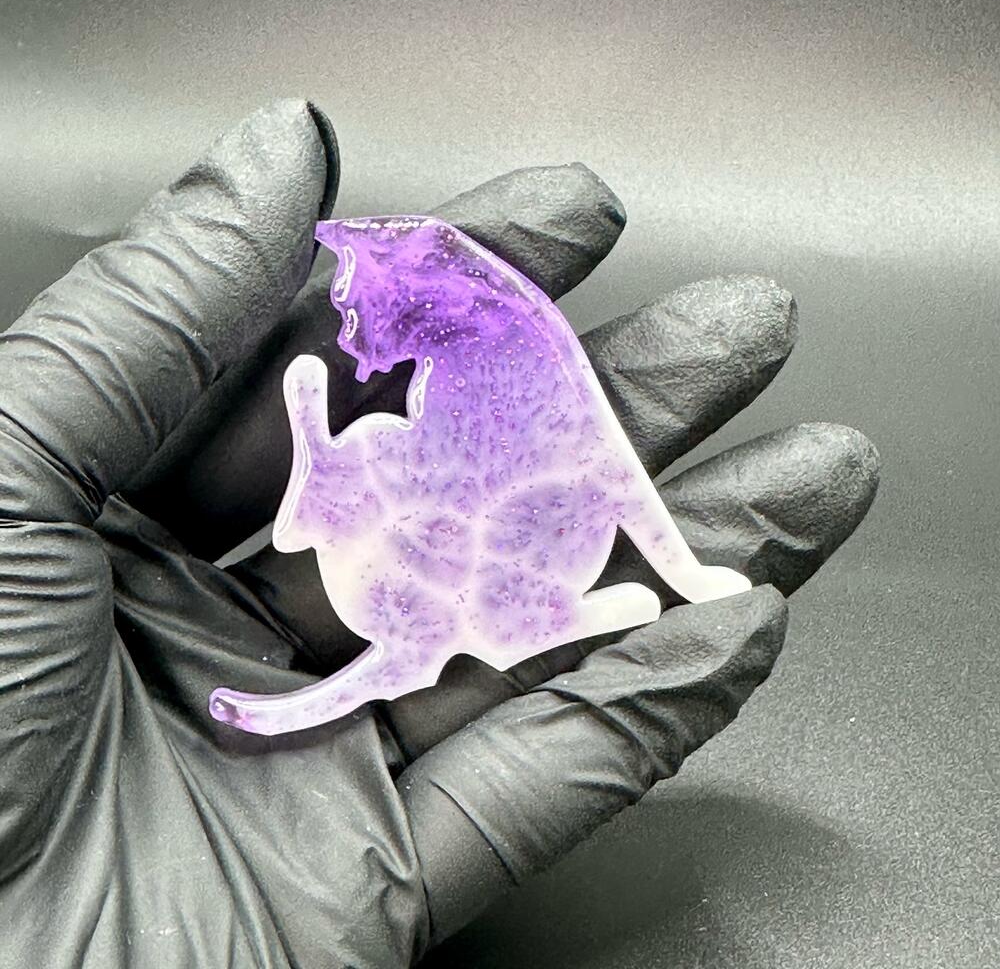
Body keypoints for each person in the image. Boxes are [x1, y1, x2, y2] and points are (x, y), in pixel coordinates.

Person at [0, 100, 879, 967]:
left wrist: (682, 570)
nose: (351, 333)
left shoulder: (514, 372)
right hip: (430, 560)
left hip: (479, 555)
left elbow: (613, 478)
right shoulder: (442, 380)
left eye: (356, 313)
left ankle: (524, 589)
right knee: (377, 452)